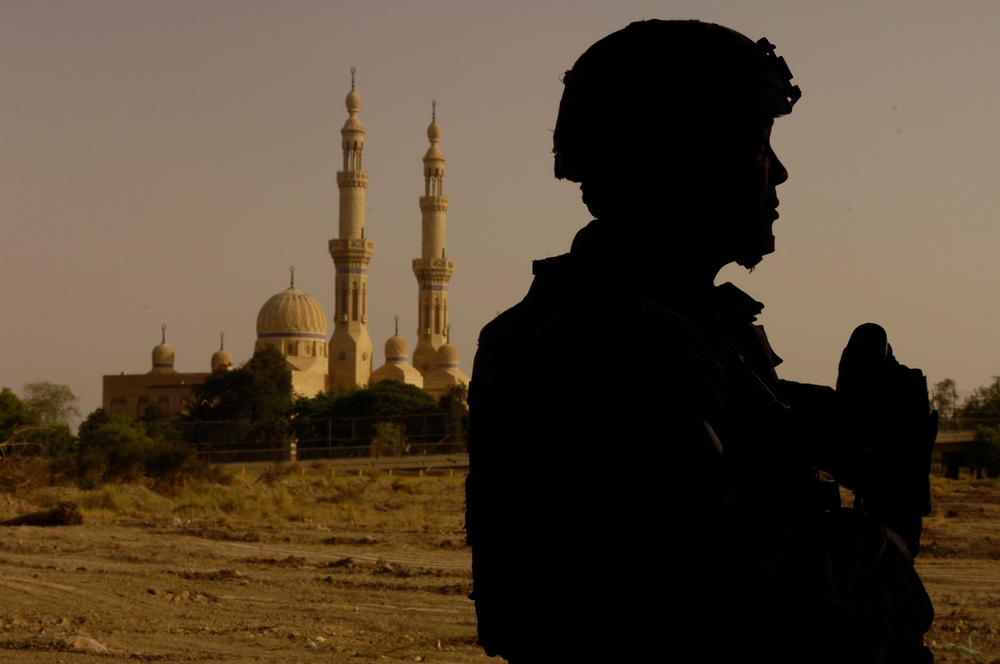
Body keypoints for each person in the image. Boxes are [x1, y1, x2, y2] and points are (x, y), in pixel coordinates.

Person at [466, 19, 935, 663]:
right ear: (690, 154)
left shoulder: (667, 328)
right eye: (759, 144)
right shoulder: (622, 347)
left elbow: (730, 442)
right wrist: (890, 523)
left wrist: (835, 432)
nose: (781, 174)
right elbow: (711, 606)